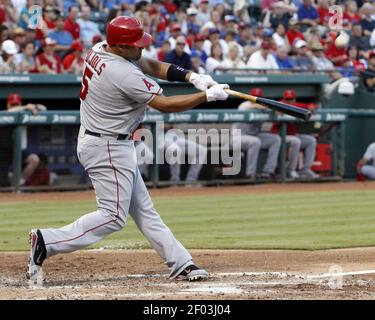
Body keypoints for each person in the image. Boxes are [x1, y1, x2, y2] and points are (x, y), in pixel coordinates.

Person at [27, 15, 229, 285]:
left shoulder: (101, 47)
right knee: (112, 216)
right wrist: (207, 96)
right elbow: (165, 104)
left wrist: (192, 76)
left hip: (105, 140)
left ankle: (182, 263)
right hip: (107, 145)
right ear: (120, 47)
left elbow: (149, 64)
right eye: (135, 45)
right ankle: (46, 241)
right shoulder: (121, 72)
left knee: (145, 210)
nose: (141, 49)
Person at [232, 88, 281, 180]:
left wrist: (275, 110)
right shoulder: (244, 105)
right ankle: (250, 174)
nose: (254, 99)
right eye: (253, 97)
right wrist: (268, 107)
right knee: (255, 142)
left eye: (257, 97)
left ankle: (268, 171)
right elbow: (253, 106)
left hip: (254, 136)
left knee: (275, 139)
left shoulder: (264, 107)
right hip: (238, 137)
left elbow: (277, 112)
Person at [271, 89, 319, 179]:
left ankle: (306, 169)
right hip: (279, 135)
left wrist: (312, 106)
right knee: (296, 141)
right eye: (287, 99)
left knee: (311, 141)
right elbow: (274, 108)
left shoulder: (295, 106)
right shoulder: (280, 104)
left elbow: (310, 105)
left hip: (292, 135)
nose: (289, 101)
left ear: (294, 99)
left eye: (291, 99)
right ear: (284, 99)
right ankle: (291, 170)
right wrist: (277, 110)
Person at [6, 93, 46, 186]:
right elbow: (10, 111)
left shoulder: (25, 113)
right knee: (6, 176)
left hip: (21, 151)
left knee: (34, 160)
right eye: (13, 104)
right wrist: (25, 107)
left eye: (17, 104)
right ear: (8, 104)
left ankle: (20, 182)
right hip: (7, 151)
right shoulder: (8, 113)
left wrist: (33, 106)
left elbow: (44, 108)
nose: (15, 106)